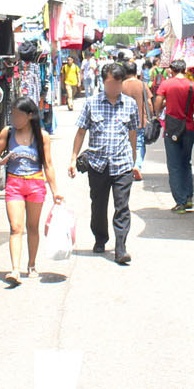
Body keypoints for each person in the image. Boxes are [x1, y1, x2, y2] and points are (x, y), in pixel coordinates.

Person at [69, 63, 142, 265]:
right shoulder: (92, 103)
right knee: (98, 206)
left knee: (122, 206)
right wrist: (73, 158)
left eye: (118, 83)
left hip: (122, 164)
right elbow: (81, 131)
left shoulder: (129, 104)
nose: (114, 88)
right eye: (111, 83)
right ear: (103, 82)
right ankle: (100, 238)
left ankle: (121, 248)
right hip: (97, 164)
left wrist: (134, 159)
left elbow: (133, 132)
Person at [0, 97, 62, 286]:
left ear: (30, 116)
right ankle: (15, 269)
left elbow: (48, 164)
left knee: (32, 227)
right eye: (12, 114)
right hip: (14, 183)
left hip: (35, 184)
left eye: (18, 115)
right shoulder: (8, 132)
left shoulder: (42, 136)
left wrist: (55, 191)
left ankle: (31, 265)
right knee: (15, 227)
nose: (15, 118)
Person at [154, 59, 194, 213]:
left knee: (174, 165)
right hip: (188, 128)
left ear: (171, 70)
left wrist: (165, 106)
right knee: (185, 163)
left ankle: (180, 202)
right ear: (185, 69)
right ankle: (188, 198)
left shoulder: (166, 85)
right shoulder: (193, 85)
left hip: (172, 128)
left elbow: (157, 105)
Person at [120, 62, 151, 166]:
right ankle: (136, 165)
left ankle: (127, 165)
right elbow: (149, 103)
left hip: (123, 121)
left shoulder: (121, 85)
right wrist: (150, 116)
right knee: (138, 144)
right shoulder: (142, 84)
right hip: (140, 120)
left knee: (125, 143)